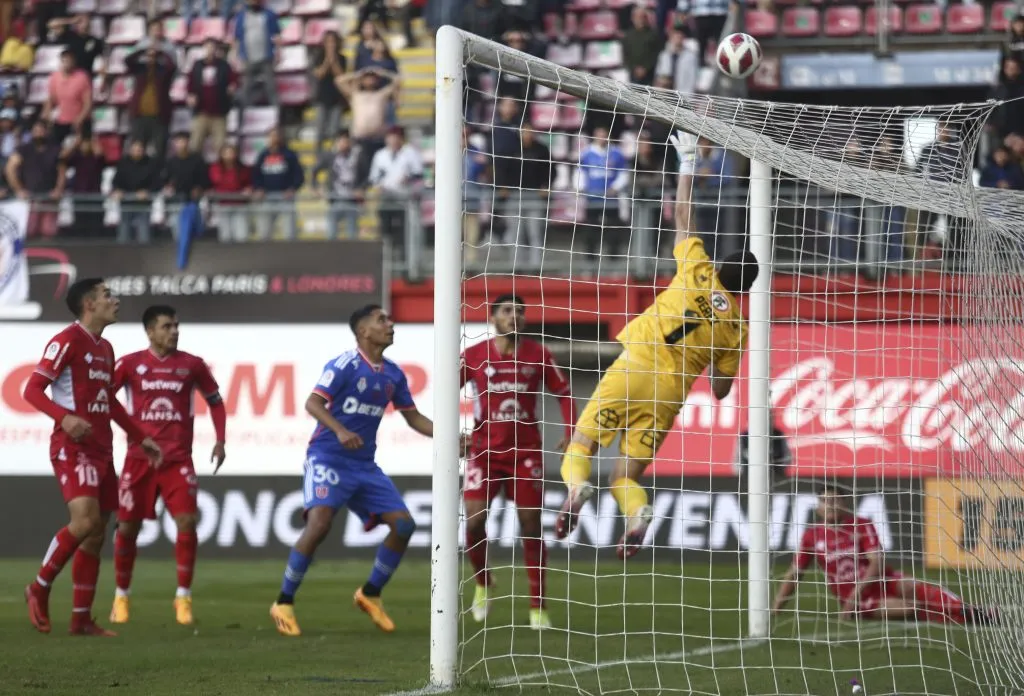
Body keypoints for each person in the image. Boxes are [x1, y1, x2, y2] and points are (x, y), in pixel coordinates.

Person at [556, 136, 759, 559]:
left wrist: (687, 162)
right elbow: (721, 390)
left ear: (721, 266)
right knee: (623, 476)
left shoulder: (697, 270)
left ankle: (576, 490)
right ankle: (637, 515)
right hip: (669, 395)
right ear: (748, 288)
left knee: (581, 445)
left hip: (635, 367)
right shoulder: (737, 327)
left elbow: (683, 215)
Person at [269, 305, 440, 636]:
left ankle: (370, 593)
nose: (390, 325)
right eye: (382, 320)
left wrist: (448, 435)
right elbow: (312, 403)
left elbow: (413, 417)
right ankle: (283, 601)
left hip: (364, 465)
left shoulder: (393, 374)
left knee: (404, 525)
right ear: (363, 332)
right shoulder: (344, 365)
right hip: (328, 457)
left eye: (389, 319)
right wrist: (340, 431)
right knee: (319, 524)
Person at [21, 278, 162, 636]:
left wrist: (139, 435)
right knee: (84, 522)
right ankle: (39, 586)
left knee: (97, 534)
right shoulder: (66, 341)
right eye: (107, 296)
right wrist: (64, 417)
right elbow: (32, 389)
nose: (115, 301)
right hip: (73, 447)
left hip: (102, 449)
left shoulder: (106, 348)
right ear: (89, 305)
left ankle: (81, 618)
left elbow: (109, 400)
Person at [460, 294, 576, 630]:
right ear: (493, 317)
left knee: (529, 525)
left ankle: (538, 606)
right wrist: (456, 434)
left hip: (525, 454)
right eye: (508, 311)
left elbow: (564, 392)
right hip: (483, 451)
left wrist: (570, 432)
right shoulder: (474, 355)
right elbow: (446, 389)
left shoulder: (538, 354)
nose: (516, 316)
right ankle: (482, 584)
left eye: (520, 311)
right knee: (473, 521)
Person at [109, 305, 226, 627]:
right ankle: (121, 596)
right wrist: (131, 431)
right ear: (150, 331)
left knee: (187, 522)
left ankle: (183, 598)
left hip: (178, 460)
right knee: (128, 528)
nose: (174, 331)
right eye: (166, 326)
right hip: (139, 460)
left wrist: (221, 439)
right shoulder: (130, 364)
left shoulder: (192, 365)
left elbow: (215, 401)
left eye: (176, 325)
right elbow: (105, 398)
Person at [772, 482, 999, 626]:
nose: (829, 505)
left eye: (834, 500)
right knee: (911, 608)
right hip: (863, 601)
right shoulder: (812, 537)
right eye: (824, 501)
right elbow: (795, 573)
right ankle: (967, 618)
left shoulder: (861, 524)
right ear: (818, 507)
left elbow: (877, 562)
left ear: (844, 503)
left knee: (915, 586)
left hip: (879, 581)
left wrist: (855, 593)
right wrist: (775, 608)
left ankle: (968, 610)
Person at [44, 49, 92, 145]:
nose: (67, 64)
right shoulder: (55, 77)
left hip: (77, 121)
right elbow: (51, 99)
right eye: (64, 61)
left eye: (69, 61)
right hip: (60, 121)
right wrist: (48, 115)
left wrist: (80, 119)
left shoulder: (82, 77)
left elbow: (88, 102)